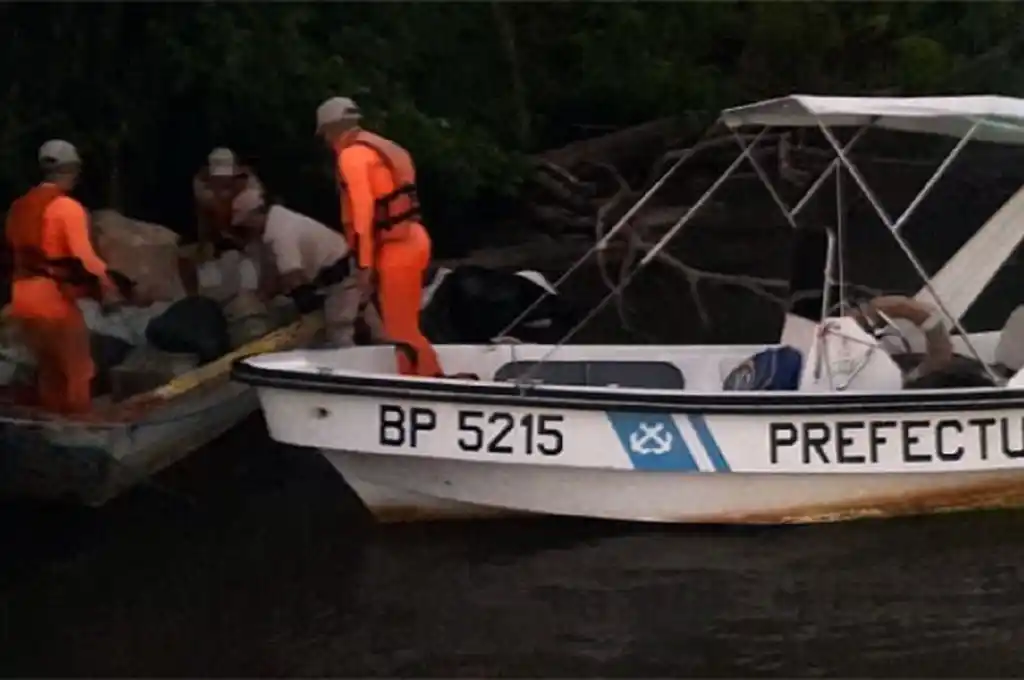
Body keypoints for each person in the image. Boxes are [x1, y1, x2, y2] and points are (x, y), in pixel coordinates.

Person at [316, 96, 444, 377]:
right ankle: (421, 377)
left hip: (396, 250)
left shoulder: (352, 157)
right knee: (405, 324)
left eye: (324, 134)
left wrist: (364, 265)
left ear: (331, 130)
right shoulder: (382, 148)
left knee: (400, 328)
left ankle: (425, 383)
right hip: (413, 239)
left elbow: (363, 213)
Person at [4, 140, 123, 415]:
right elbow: (85, 256)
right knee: (77, 369)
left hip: (22, 294)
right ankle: (78, 427)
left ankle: (53, 424)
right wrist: (109, 286)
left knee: (48, 368)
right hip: (52, 298)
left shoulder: (19, 207)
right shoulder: (66, 208)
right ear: (73, 169)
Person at [229, 187, 385, 347]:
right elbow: (273, 271)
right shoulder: (278, 221)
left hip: (339, 278)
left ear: (258, 214)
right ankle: (392, 355)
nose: (247, 230)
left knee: (338, 334)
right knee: (371, 326)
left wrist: (301, 305)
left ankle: (352, 367)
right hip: (341, 269)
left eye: (246, 224)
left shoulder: (280, 232)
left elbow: (293, 276)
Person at [192, 147, 262, 262]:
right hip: (218, 224)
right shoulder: (201, 183)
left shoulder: (248, 181)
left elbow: (256, 204)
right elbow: (206, 206)